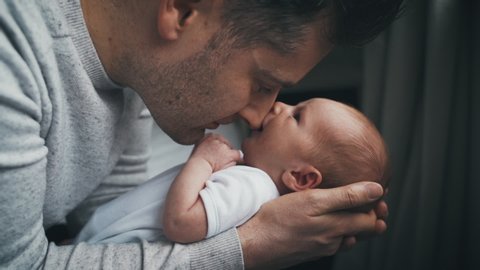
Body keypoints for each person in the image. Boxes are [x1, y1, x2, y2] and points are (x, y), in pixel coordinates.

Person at [0, 0, 403, 269]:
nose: (262, 113)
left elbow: (104, 216)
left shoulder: (137, 70)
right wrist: (254, 244)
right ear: (182, 9)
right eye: (263, 82)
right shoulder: (12, 64)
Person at [74, 98, 389, 245]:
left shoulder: (254, 187)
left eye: (296, 116)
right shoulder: (248, 178)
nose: (280, 105)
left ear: (301, 178)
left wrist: (202, 160)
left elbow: (180, 222)